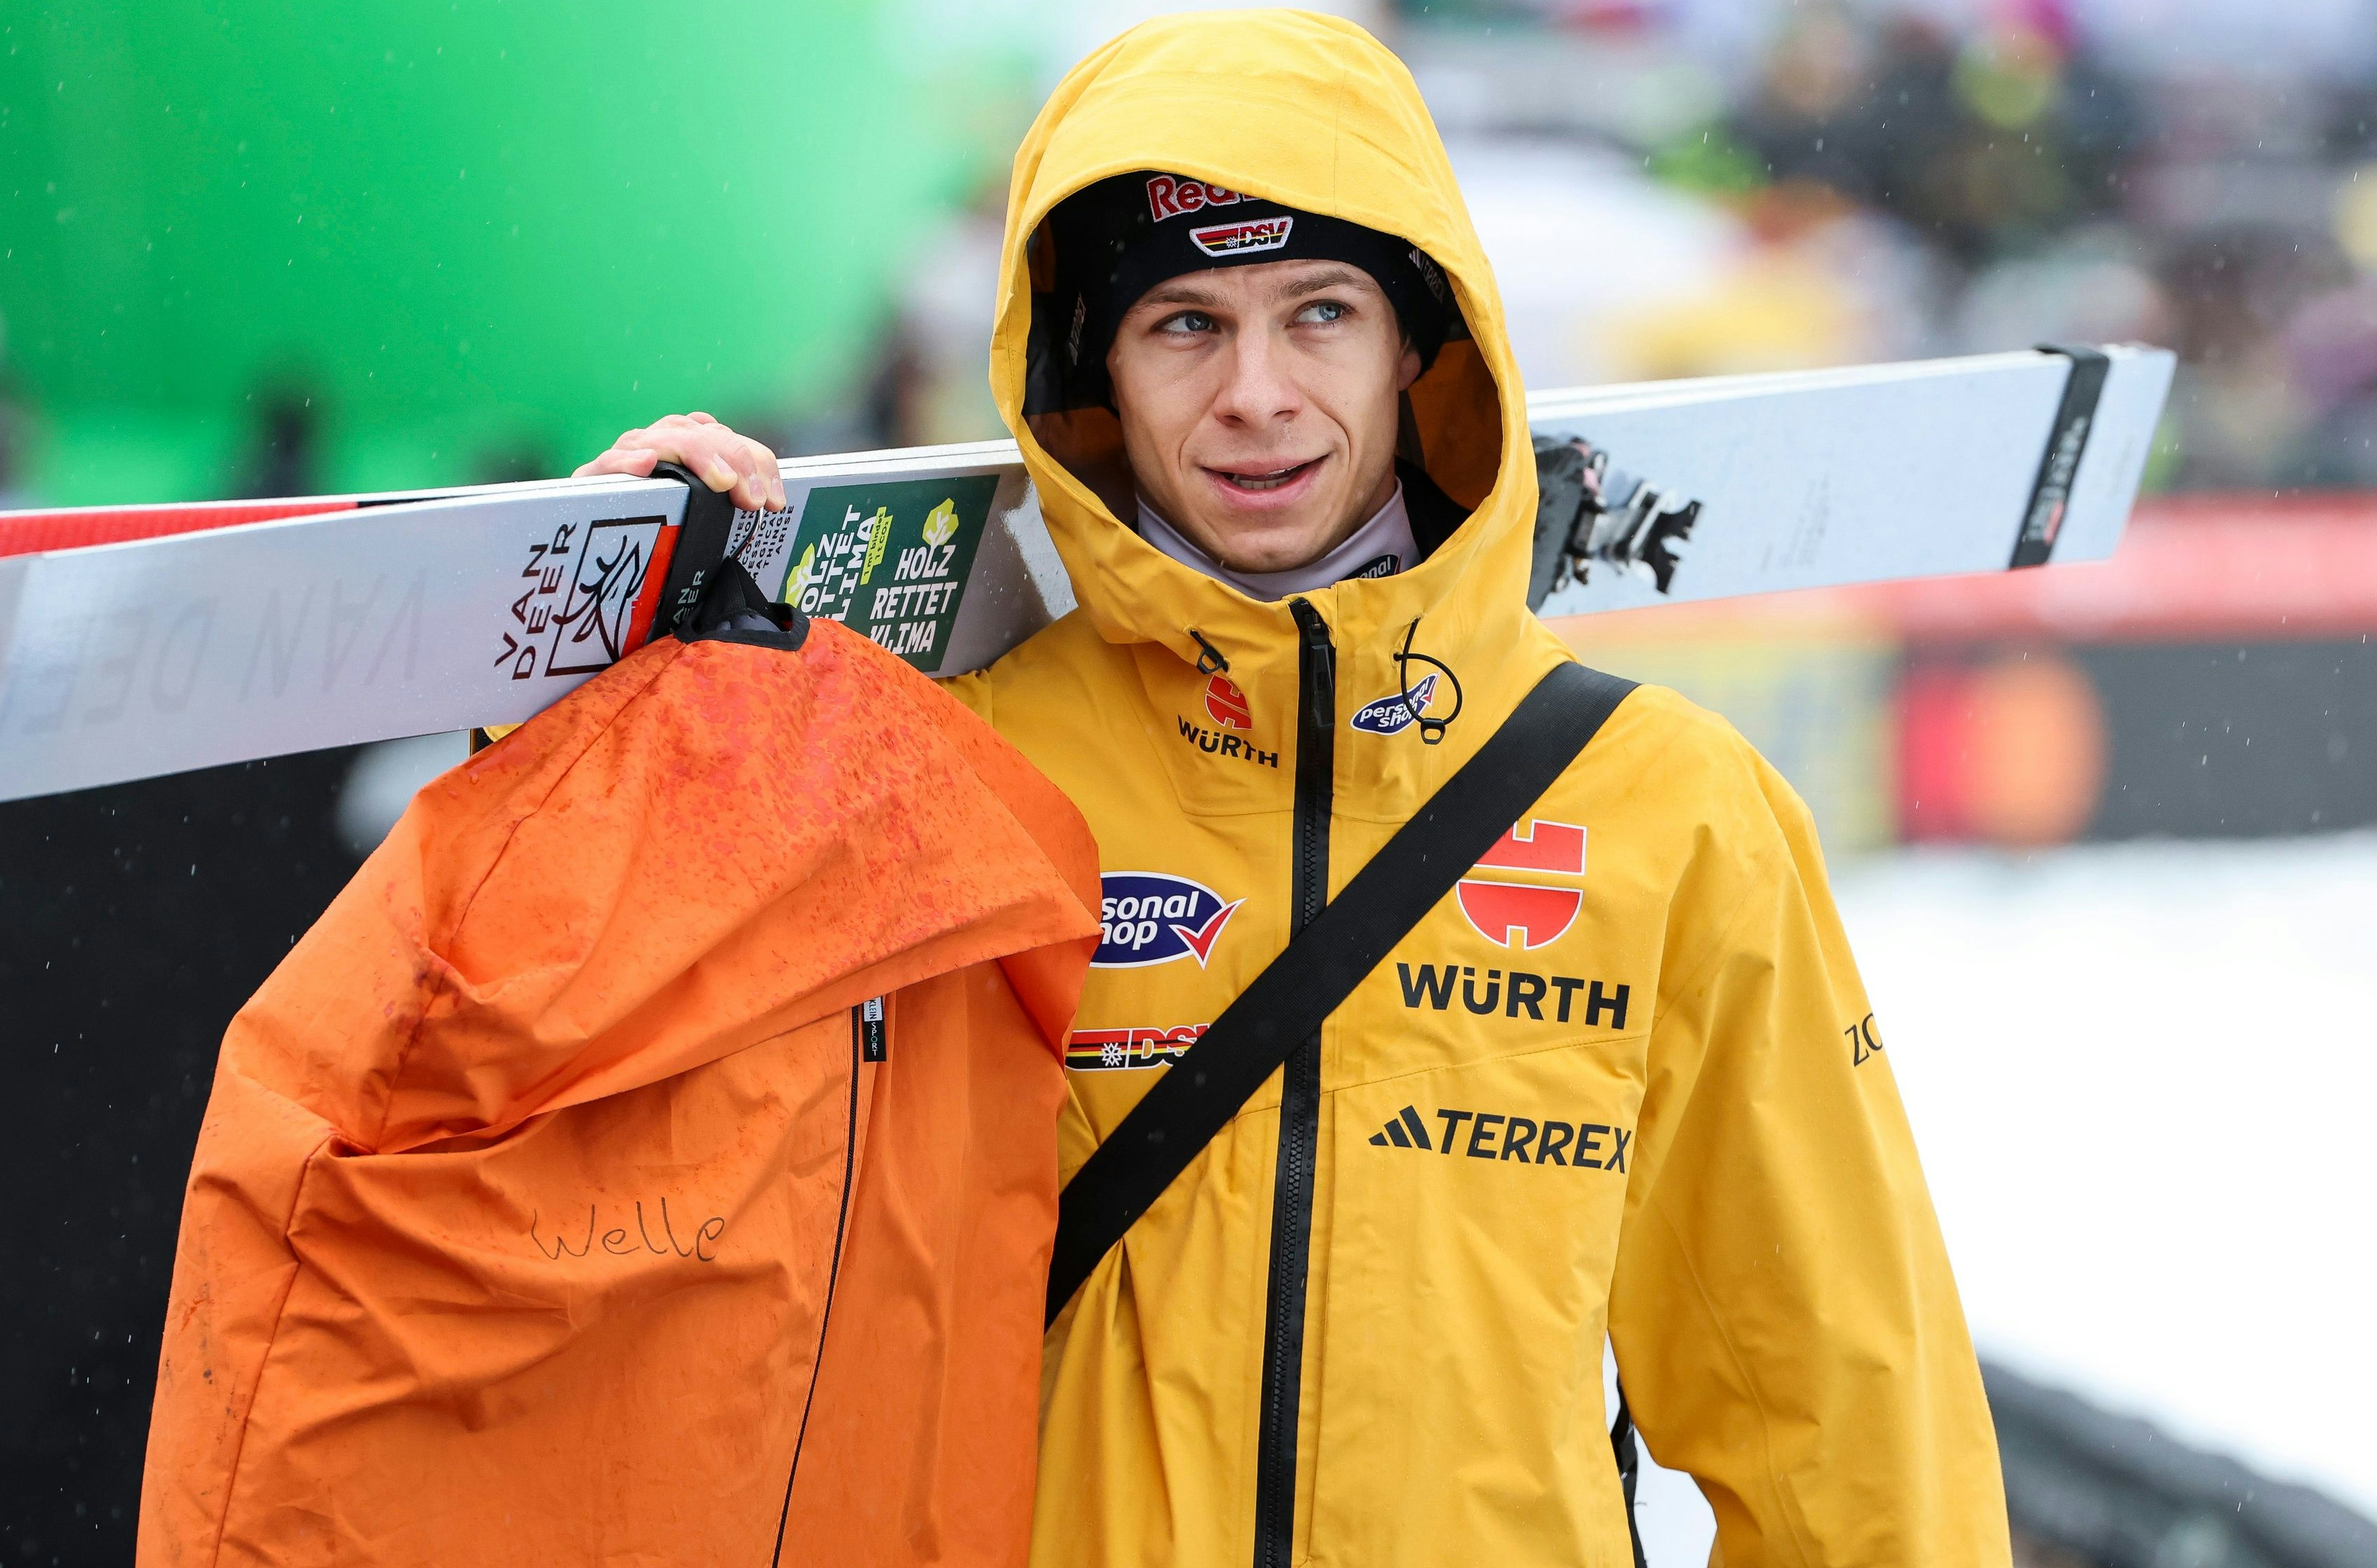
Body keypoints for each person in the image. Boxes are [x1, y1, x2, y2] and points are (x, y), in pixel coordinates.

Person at [574, 12, 2008, 1565]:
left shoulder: (1667, 808)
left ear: (1416, 345)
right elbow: (594, 1130)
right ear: (1090, 374)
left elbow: (1842, 1422)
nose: (1254, 393)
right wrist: (601, 682)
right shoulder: (943, 778)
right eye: (1181, 325)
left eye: (1316, 312)